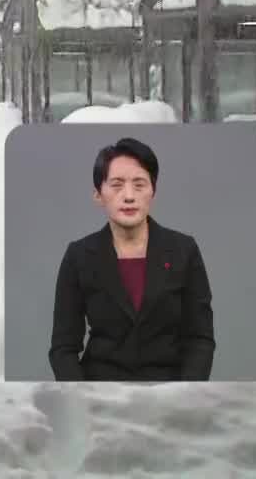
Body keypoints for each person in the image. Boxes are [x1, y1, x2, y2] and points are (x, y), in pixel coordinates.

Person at [49, 137, 214, 381]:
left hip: (169, 392)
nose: (129, 196)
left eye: (139, 185)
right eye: (116, 185)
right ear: (98, 194)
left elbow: (200, 339)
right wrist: (81, 399)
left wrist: (185, 397)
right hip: (100, 393)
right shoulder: (79, 255)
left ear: (153, 191)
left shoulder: (183, 250)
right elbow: (63, 348)